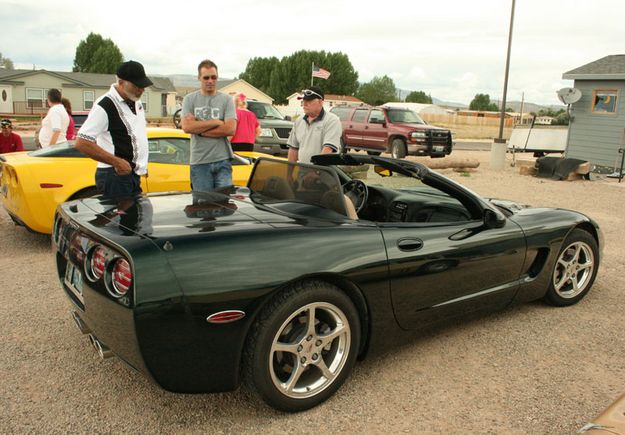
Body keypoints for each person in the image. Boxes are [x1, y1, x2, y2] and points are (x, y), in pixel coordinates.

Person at [74, 60, 153, 199]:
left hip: (132, 174)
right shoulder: (105, 105)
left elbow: (136, 134)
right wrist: (117, 162)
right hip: (114, 175)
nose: (141, 89)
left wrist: (141, 165)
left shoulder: (136, 102)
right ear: (121, 83)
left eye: (143, 86)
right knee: (119, 220)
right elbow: (82, 142)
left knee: (134, 218)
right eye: (137, 86)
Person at [181, 59, 237, 192]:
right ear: (199, 78)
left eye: (213, 77)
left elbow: (230, 129)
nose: (210, 81)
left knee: (224, 205)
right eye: (206, 77)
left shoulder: (226, 100)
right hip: (200, 162)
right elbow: (187, 127)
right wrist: (216, 122)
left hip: (223, 160)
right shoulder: (189, 100)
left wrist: (199, 128)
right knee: (203, 206)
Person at [287, 86, 341, 164]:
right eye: (304, 100)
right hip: (303, 171)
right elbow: (293, 149)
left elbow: (328, 150)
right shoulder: (299, 121)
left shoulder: (332, 121)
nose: (304, 104)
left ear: (320, 102)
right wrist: (289, 175)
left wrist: (315, 172)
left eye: (309, 101)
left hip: (324, 173)